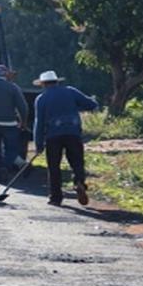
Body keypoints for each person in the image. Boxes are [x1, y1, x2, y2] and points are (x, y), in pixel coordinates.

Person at [33, 70, 98, 206]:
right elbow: (92, 105)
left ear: (43, 84)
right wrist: (75, 107)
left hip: (53, 135)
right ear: (57, 81)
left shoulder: (41, 99)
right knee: (77, 162)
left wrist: (38, 144)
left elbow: (38, 123)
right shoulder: (70, 91)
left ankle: (56, 197)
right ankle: (79, 182)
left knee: (54, 166)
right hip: (72, 132)